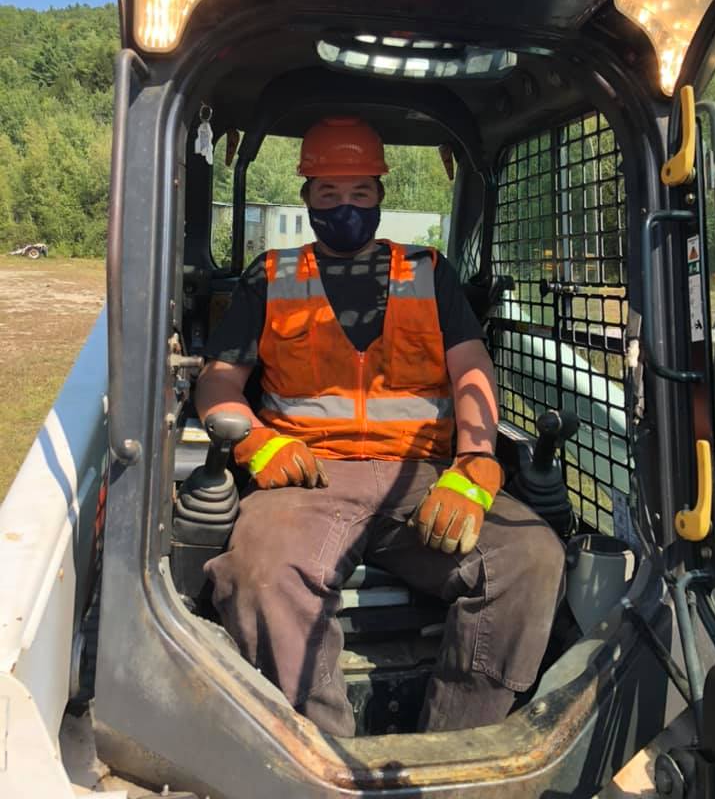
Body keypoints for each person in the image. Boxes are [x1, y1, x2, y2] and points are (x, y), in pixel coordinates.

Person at [195, 116, 565, 737]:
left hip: (420, 476)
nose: (345, 207)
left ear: (380, 195)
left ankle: (456, 748)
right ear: (307, 197)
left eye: (360, 193)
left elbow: (471, 369)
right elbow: (218, 380)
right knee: (258, 573)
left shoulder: (428, 271)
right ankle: (323, 753)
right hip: (306, 479)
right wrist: (255, 438)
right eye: (329, 194)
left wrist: (475, 461)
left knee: (531, 557)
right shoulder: (270, 276)